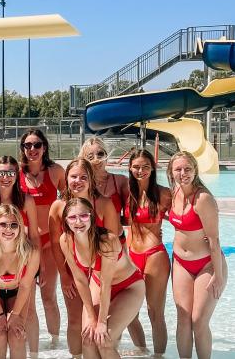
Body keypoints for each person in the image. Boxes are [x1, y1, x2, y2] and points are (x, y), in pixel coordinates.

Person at [48, 158, 119, 358]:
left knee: (101, 321)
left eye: (83, 177)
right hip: (74, 269)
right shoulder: (58, 207)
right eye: (73, 177)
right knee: (75, 320)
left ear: (91, 180)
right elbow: (56, 243)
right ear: (66, 179)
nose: (77, 181)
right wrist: (64, 275)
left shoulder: (104, 204)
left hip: (100, 272)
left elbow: (114, 243)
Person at [59, 197, 145, 358]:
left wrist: (102, 322)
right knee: (88, 340)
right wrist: (92, 317)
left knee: (105, 340)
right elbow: (80, 280)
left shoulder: (107, 240)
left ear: (91, 216)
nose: (78, 221)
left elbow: (107, 284)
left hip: (129, 286)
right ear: (66, 220)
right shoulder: (65, 240)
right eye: (72, 217)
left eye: (83, 216)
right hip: (98, 284)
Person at [0, 155, 40, 354]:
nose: (5, 177)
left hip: (22, 263)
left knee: (21, 324)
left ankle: (35, 354)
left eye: (10, 172)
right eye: (1, 172)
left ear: (17, 175)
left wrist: (37, 268)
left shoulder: (26, 200)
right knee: (0, 330)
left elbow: (35, 235)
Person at [168, 151, 227, 359]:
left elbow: (214, 241)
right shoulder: (173, 193)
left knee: (198, 321)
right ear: (171, 171)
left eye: (187, 169)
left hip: (207, 264)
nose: (183, 173)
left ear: (195, 171)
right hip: (181, 263)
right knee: (183, 318)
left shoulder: (203, 199)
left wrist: (218, 275)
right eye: (178, 169)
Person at [18, 129, 65, 345]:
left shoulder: (56, 172)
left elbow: (70, 202)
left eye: (37, 145)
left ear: (44, 147)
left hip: (49, 241)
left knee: (48, 296)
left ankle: (55, 343)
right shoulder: (16, 174)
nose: (32, 149)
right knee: (27, 301)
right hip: (25, 244)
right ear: (23, 149)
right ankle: (31, 345)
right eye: (28, 145)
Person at [125, 149, 172, 356]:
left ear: (152, 168)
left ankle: (159, 355)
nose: (140, 170)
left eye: (145, 166)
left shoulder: (164, 194)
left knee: (155, 312)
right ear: (130, 168)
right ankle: (141, 349)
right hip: (130, 255)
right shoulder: (125, 192)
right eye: (136, 166)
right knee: (128, 312)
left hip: (154, 255)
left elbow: (185, 214)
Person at [80, 138, 130, 244]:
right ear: (84, 160)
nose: (96, 159)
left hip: (117, 242)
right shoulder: (80, 184)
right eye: (90, 156)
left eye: (100, 154)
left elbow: (131, 216)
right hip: (90, 244)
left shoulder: (121, 181)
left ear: (106, 156)